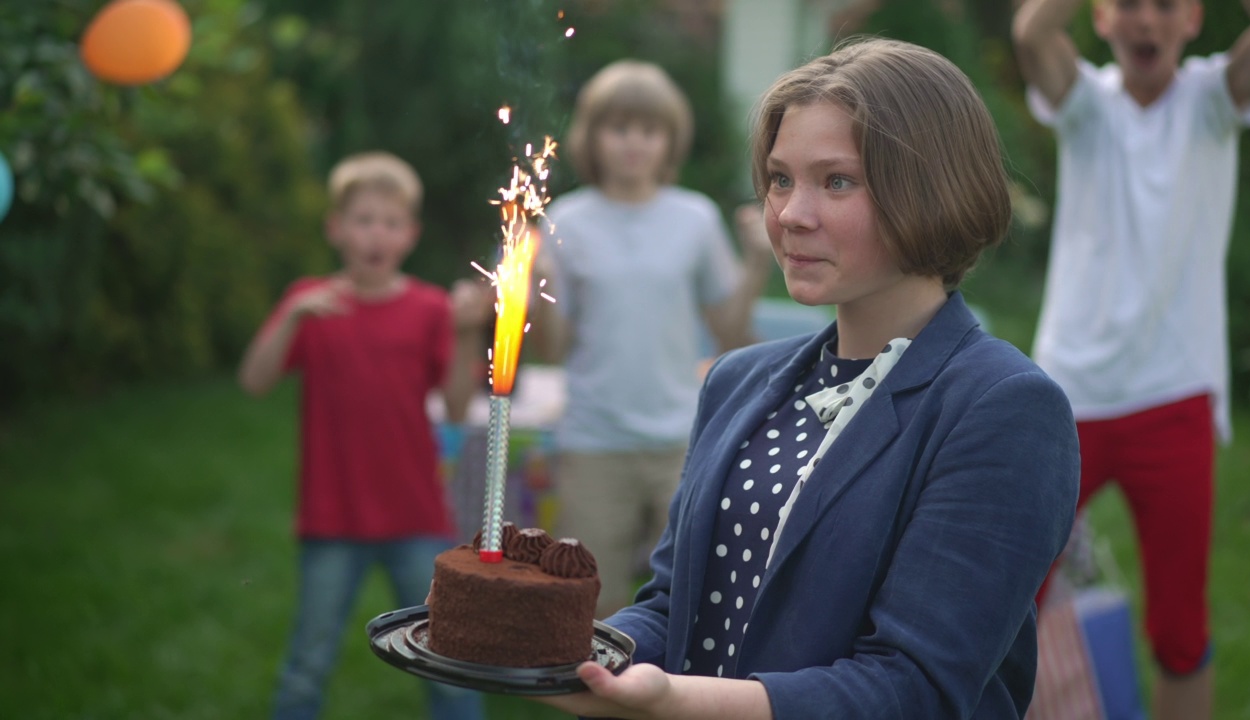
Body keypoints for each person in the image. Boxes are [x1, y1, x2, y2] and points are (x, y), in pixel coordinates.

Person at [536, 38, 1081, 719]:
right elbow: (676, 609)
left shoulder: (1002, 408)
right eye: (781, 178)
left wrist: (674, 701)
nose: (790, 213)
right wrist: (557, 654)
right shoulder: (738, 381)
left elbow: (916, 690)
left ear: (932, 186)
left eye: (837, 181)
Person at [1011, 1, 1250, 717]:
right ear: (1101, 19)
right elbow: (1032, 30)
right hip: (1069, 394)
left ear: (1192, 20)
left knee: (1180, 630)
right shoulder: (1086, 104)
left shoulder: (1212, 99)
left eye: (1164, 5)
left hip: (1175, 396)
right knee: (1005, 602)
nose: (1145, 22)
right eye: (1127, 4)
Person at [238, 151, 486, 720]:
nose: (377, 233)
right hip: (333, 519)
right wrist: (293, 316)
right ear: (336, 228)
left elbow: (454, 408)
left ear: (411, 235)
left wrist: (467, 334)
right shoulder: (313, 302)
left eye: (391, 222)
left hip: (416, 517)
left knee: (447, 663)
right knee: (308, 662)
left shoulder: (428, 309)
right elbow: (253, 381)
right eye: (364, 219)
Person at [530, 59, 776, 618]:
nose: (634, 142)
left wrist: (758, 264)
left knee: (694, 594)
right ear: (592, 136)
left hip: (682, 441)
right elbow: (552, 349)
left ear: (671, 140)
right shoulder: (567, 219)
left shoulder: (694, 218)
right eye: (619, 128)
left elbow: (728, 333)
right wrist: (540, 288)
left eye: (649, 129)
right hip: (593, 440)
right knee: (590, 603)